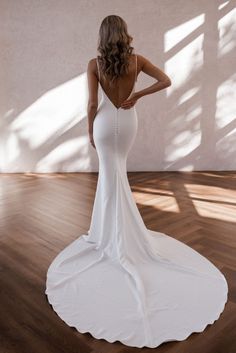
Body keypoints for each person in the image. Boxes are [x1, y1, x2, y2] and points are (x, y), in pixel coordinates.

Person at [45, 15, 228, 348]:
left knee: (108, 175)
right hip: (127, 120)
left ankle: (105, 234)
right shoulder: (137, 60)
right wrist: (139, 95)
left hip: (105, 122)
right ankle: (117, 232)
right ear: (124, 35)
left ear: (102, 36)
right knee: (118, 173)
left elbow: (90, 103)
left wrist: (90, 128)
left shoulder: (94, 63)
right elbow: (166, 80)